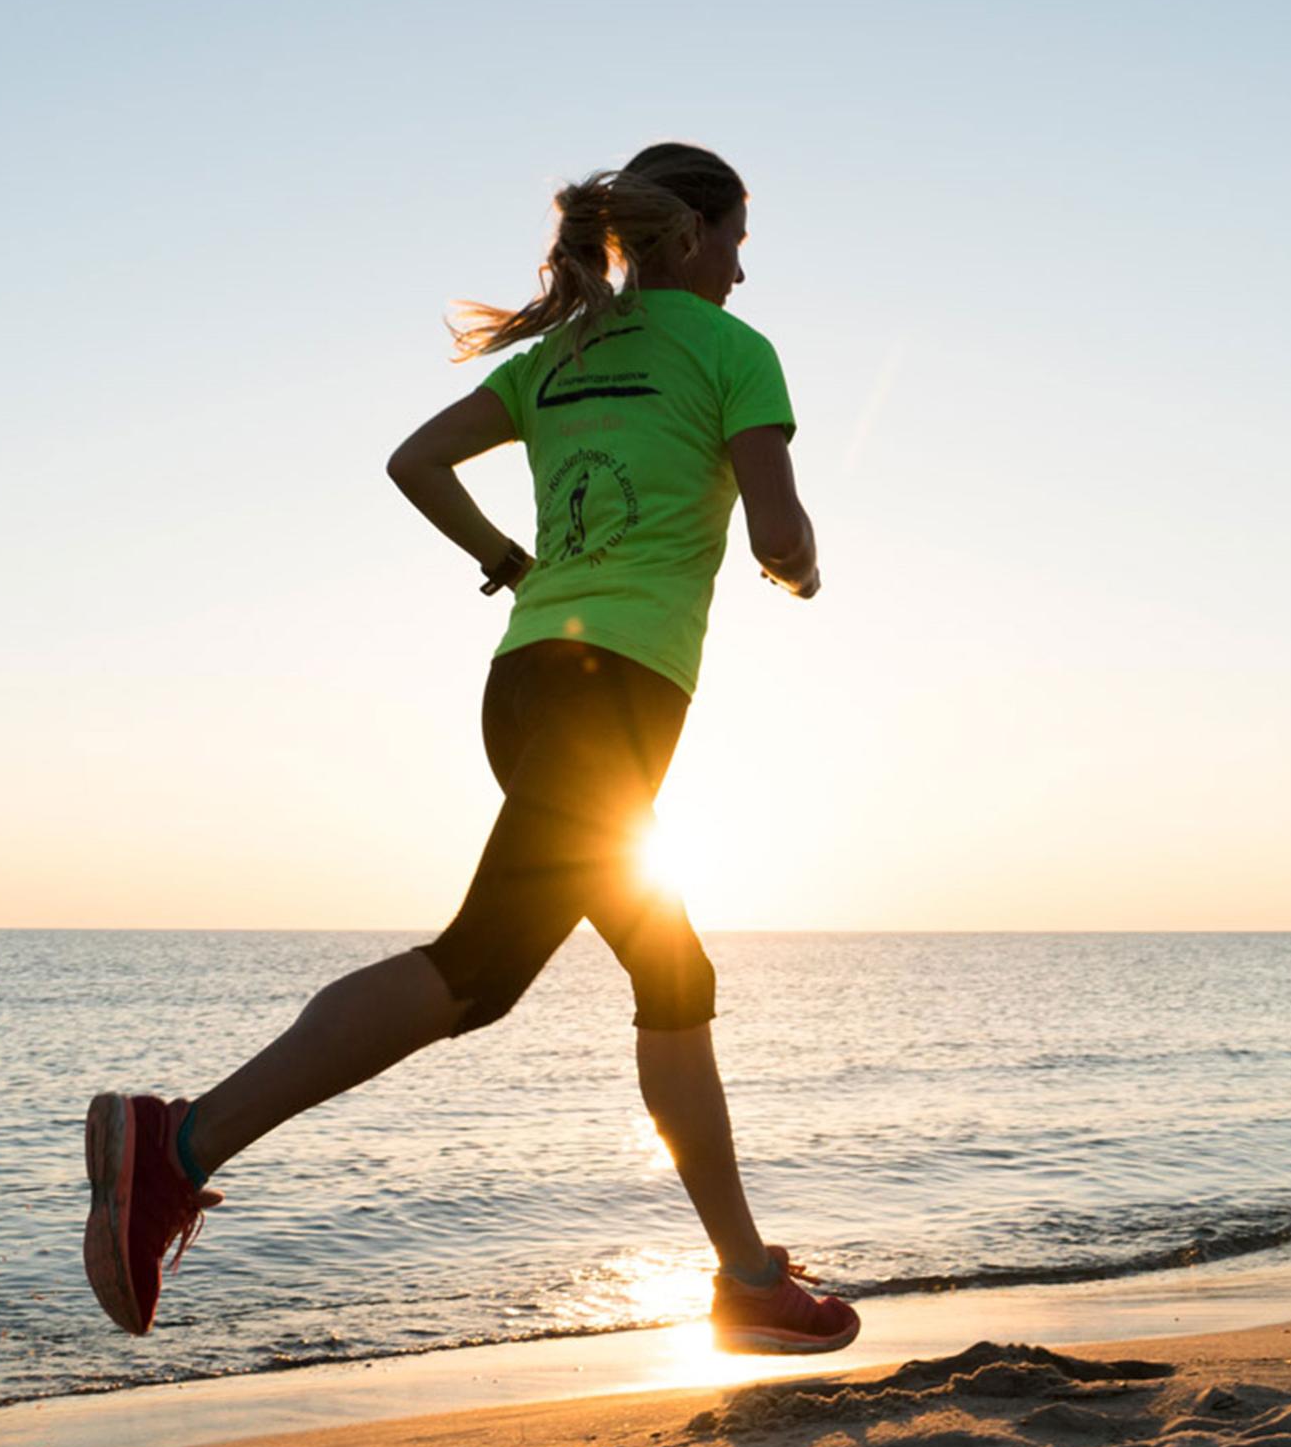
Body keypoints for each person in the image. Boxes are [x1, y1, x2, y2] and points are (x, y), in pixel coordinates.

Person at [82, 142, 860, 1357]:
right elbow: (778, 527)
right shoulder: (735, 354)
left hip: (525, 684)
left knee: (669, 976)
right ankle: (175, 1145)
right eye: (740, 242)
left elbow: (413, 462)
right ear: (695, 235)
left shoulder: (560, 356)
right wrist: (797, 566)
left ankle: (745, 1276)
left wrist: (503, 557)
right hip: (615, 701)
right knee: (480, 967)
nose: (745, 273)